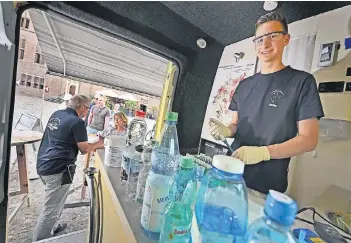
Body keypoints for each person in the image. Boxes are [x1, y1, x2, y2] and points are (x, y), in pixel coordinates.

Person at [209, 12, 324, 195]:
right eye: (260, 39)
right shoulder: (244, 85)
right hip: (230, 174)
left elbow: (309, 139)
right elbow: (235, 125)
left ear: (286, 39)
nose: (265, 44)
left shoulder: (302, 82)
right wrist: (226, 130)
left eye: (272, 36)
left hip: (266, 186)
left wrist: (264, 152)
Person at [32, 95, 104, 241]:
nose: (88, 111)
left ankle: (51, 229)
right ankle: (39, 239)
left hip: (43, 163)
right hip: (59, 168)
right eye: (88, 108)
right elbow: (84, 149)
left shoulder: (57, 114)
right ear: (82, 108)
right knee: (50, 209)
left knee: (56, 202)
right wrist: (98, 144)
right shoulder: (77, 122)